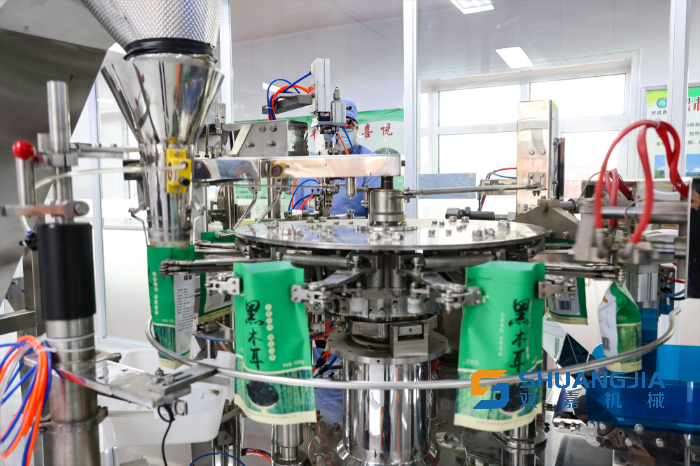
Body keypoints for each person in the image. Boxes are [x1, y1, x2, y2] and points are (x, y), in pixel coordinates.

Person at [288, 100, 381, 217]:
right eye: (333, 126)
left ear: (356, 128)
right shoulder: (308, 166)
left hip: (356, 229)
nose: (339, 132)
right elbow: (295, 214)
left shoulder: (371, 163)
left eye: (346, 126)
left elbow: (379, 214)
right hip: (312, 228)